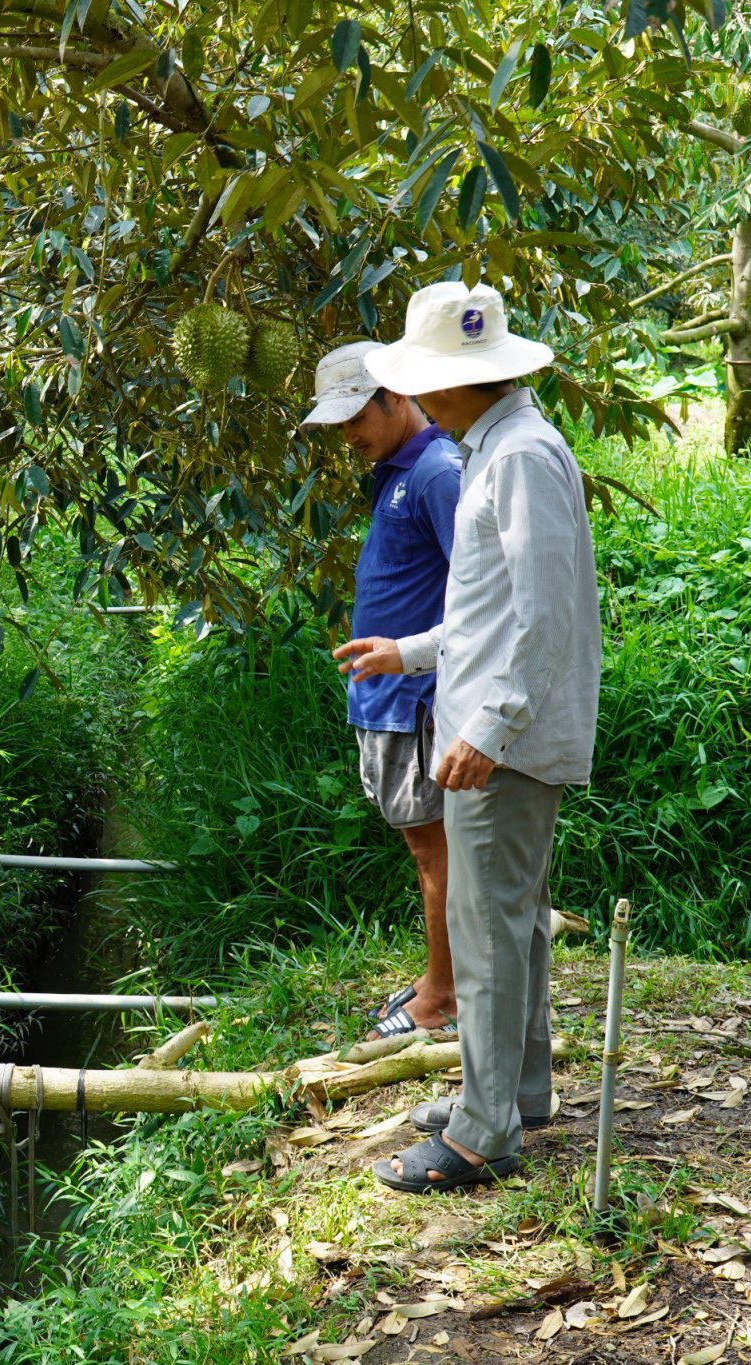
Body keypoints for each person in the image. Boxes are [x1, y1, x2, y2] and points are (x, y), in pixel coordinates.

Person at [331, 282, 601, 1193]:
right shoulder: (496, 449)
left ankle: (483, 1133)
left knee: (484, 930)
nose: (415, 395)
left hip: (503, 743)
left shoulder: (518, 456)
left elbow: (544, 614)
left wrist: (489, 727)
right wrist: (407, 651)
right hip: (492, 729)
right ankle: (514, 1091)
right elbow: (487, 609)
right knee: (509, 922)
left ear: (449, 382)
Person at [302, 343, 463, 1041]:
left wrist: (416, 660)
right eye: (337, 424)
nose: (347, 435)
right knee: (423, 846)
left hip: (417, 697)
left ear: (396, 396)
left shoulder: (436, 472)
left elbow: (479, 590)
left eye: (355, 417)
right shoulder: (397, 471)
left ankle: (444, 996)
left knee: (435, 850)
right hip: (386, 698)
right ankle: (439, 977)